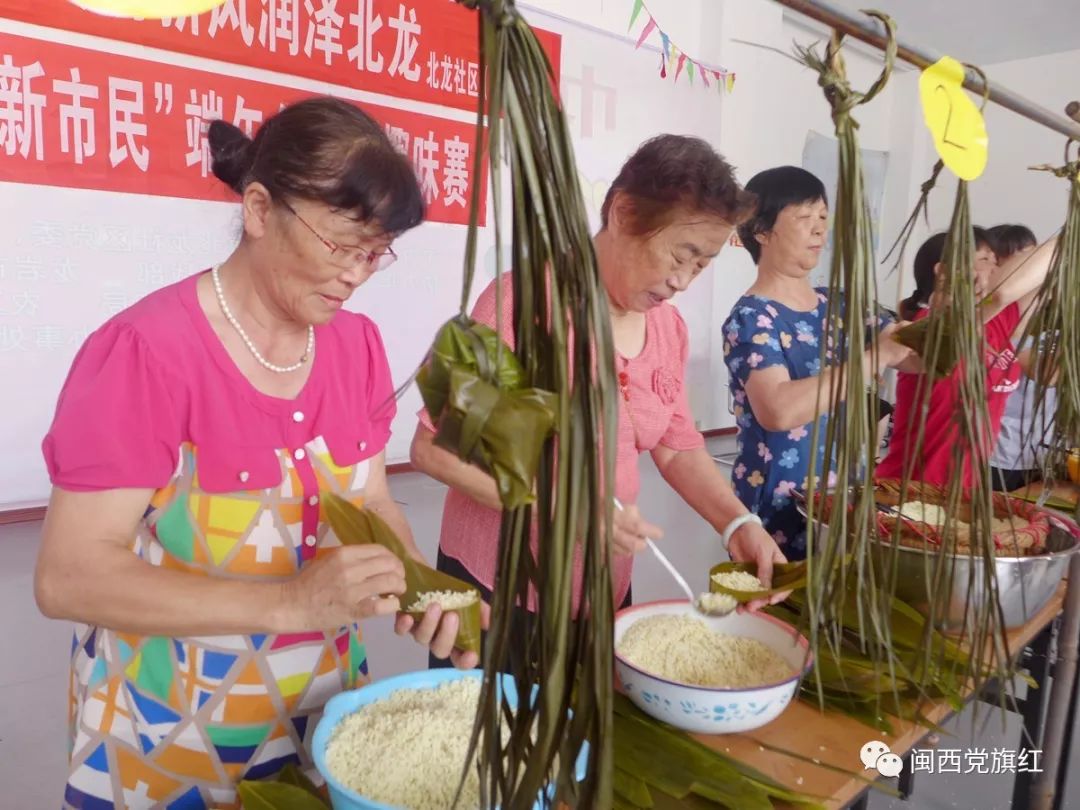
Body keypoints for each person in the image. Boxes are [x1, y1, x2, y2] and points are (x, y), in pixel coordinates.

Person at [35, 97, 476, 810]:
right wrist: (287, 602)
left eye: (375, 252)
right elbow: (68, 576)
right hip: (168, 730)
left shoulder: (355, 346)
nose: (357, 273)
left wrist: (415, 580)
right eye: (340, 244)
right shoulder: (144, 353)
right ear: (260, 209)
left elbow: (368, 499)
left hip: (322, 713)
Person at [411, 135, 787, 668]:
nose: (682, 281)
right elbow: (433, 450)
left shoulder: (667, 329)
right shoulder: (520, 304)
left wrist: (736, 523)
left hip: (602, 593)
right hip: (500, 594)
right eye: (680, 255)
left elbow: (677, 447)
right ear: (623, 212)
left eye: (701, 266)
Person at [722, 166, 913, 558]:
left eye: (823, 217)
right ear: (761, 231)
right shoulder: (752, 317)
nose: (819, 229)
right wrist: (874, 356)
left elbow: (916, 356)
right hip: (780, 507)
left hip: (847, 501)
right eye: (804, 218)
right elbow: (778, 410)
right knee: (783, 614)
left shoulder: (841, 305)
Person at [878, 226, 1057, 488]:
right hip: (911, 490)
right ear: (944, 271)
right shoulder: (927, 327)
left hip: (963, 493)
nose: (995, 269)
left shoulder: (996, 324)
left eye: (996, 262)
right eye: (985, 259)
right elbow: (1002, 292)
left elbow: (1041, 278)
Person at [984, 225, 1057, 492]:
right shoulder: (1000, 328)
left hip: (1039, 455)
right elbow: (1049, 372)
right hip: (1000, 458)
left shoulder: (1046, 321)